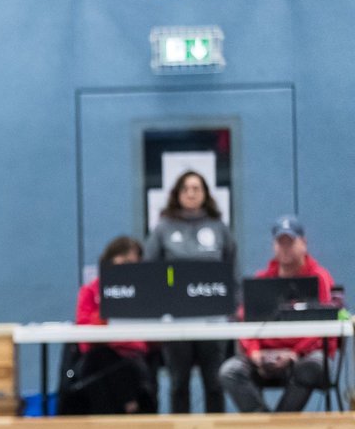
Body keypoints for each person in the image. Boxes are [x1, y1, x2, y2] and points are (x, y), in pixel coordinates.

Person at [219, 215, 336, 413]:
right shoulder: (260, 281)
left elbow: (324, 326)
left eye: (290, 242)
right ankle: (264, 424)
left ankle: (281, 423)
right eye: (280, 242)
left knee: (313, 366)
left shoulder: (320, 278)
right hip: (264, 356)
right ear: (274, 245)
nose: (285, 248)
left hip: (303, 356)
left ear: (303, 243)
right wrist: (255, 352)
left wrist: (294, 353)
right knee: (229, 371)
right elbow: (245, 324)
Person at [143, 170, 236, 413]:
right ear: (177, 194)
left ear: (205, 194)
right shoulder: (164, 228)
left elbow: (230, 268)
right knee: (178, 383)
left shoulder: (219, 228)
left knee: (215, 382)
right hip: (177, 317)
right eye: (186, 189)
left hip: (213, 317)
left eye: (197, 188)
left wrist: (233, 306)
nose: (191, 193)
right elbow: (149, 268)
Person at [64, 236, 158, 415]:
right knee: (99, 359)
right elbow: (84, 337)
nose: (125, 268)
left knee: (117, 365)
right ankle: (128, 404)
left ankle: (123, 410)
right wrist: (108, 312)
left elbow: (148, 340)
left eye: (132, 263)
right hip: (99, 356)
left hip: (132, 357)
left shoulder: (146, 294)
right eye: (121, 262)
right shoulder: (90, 291)